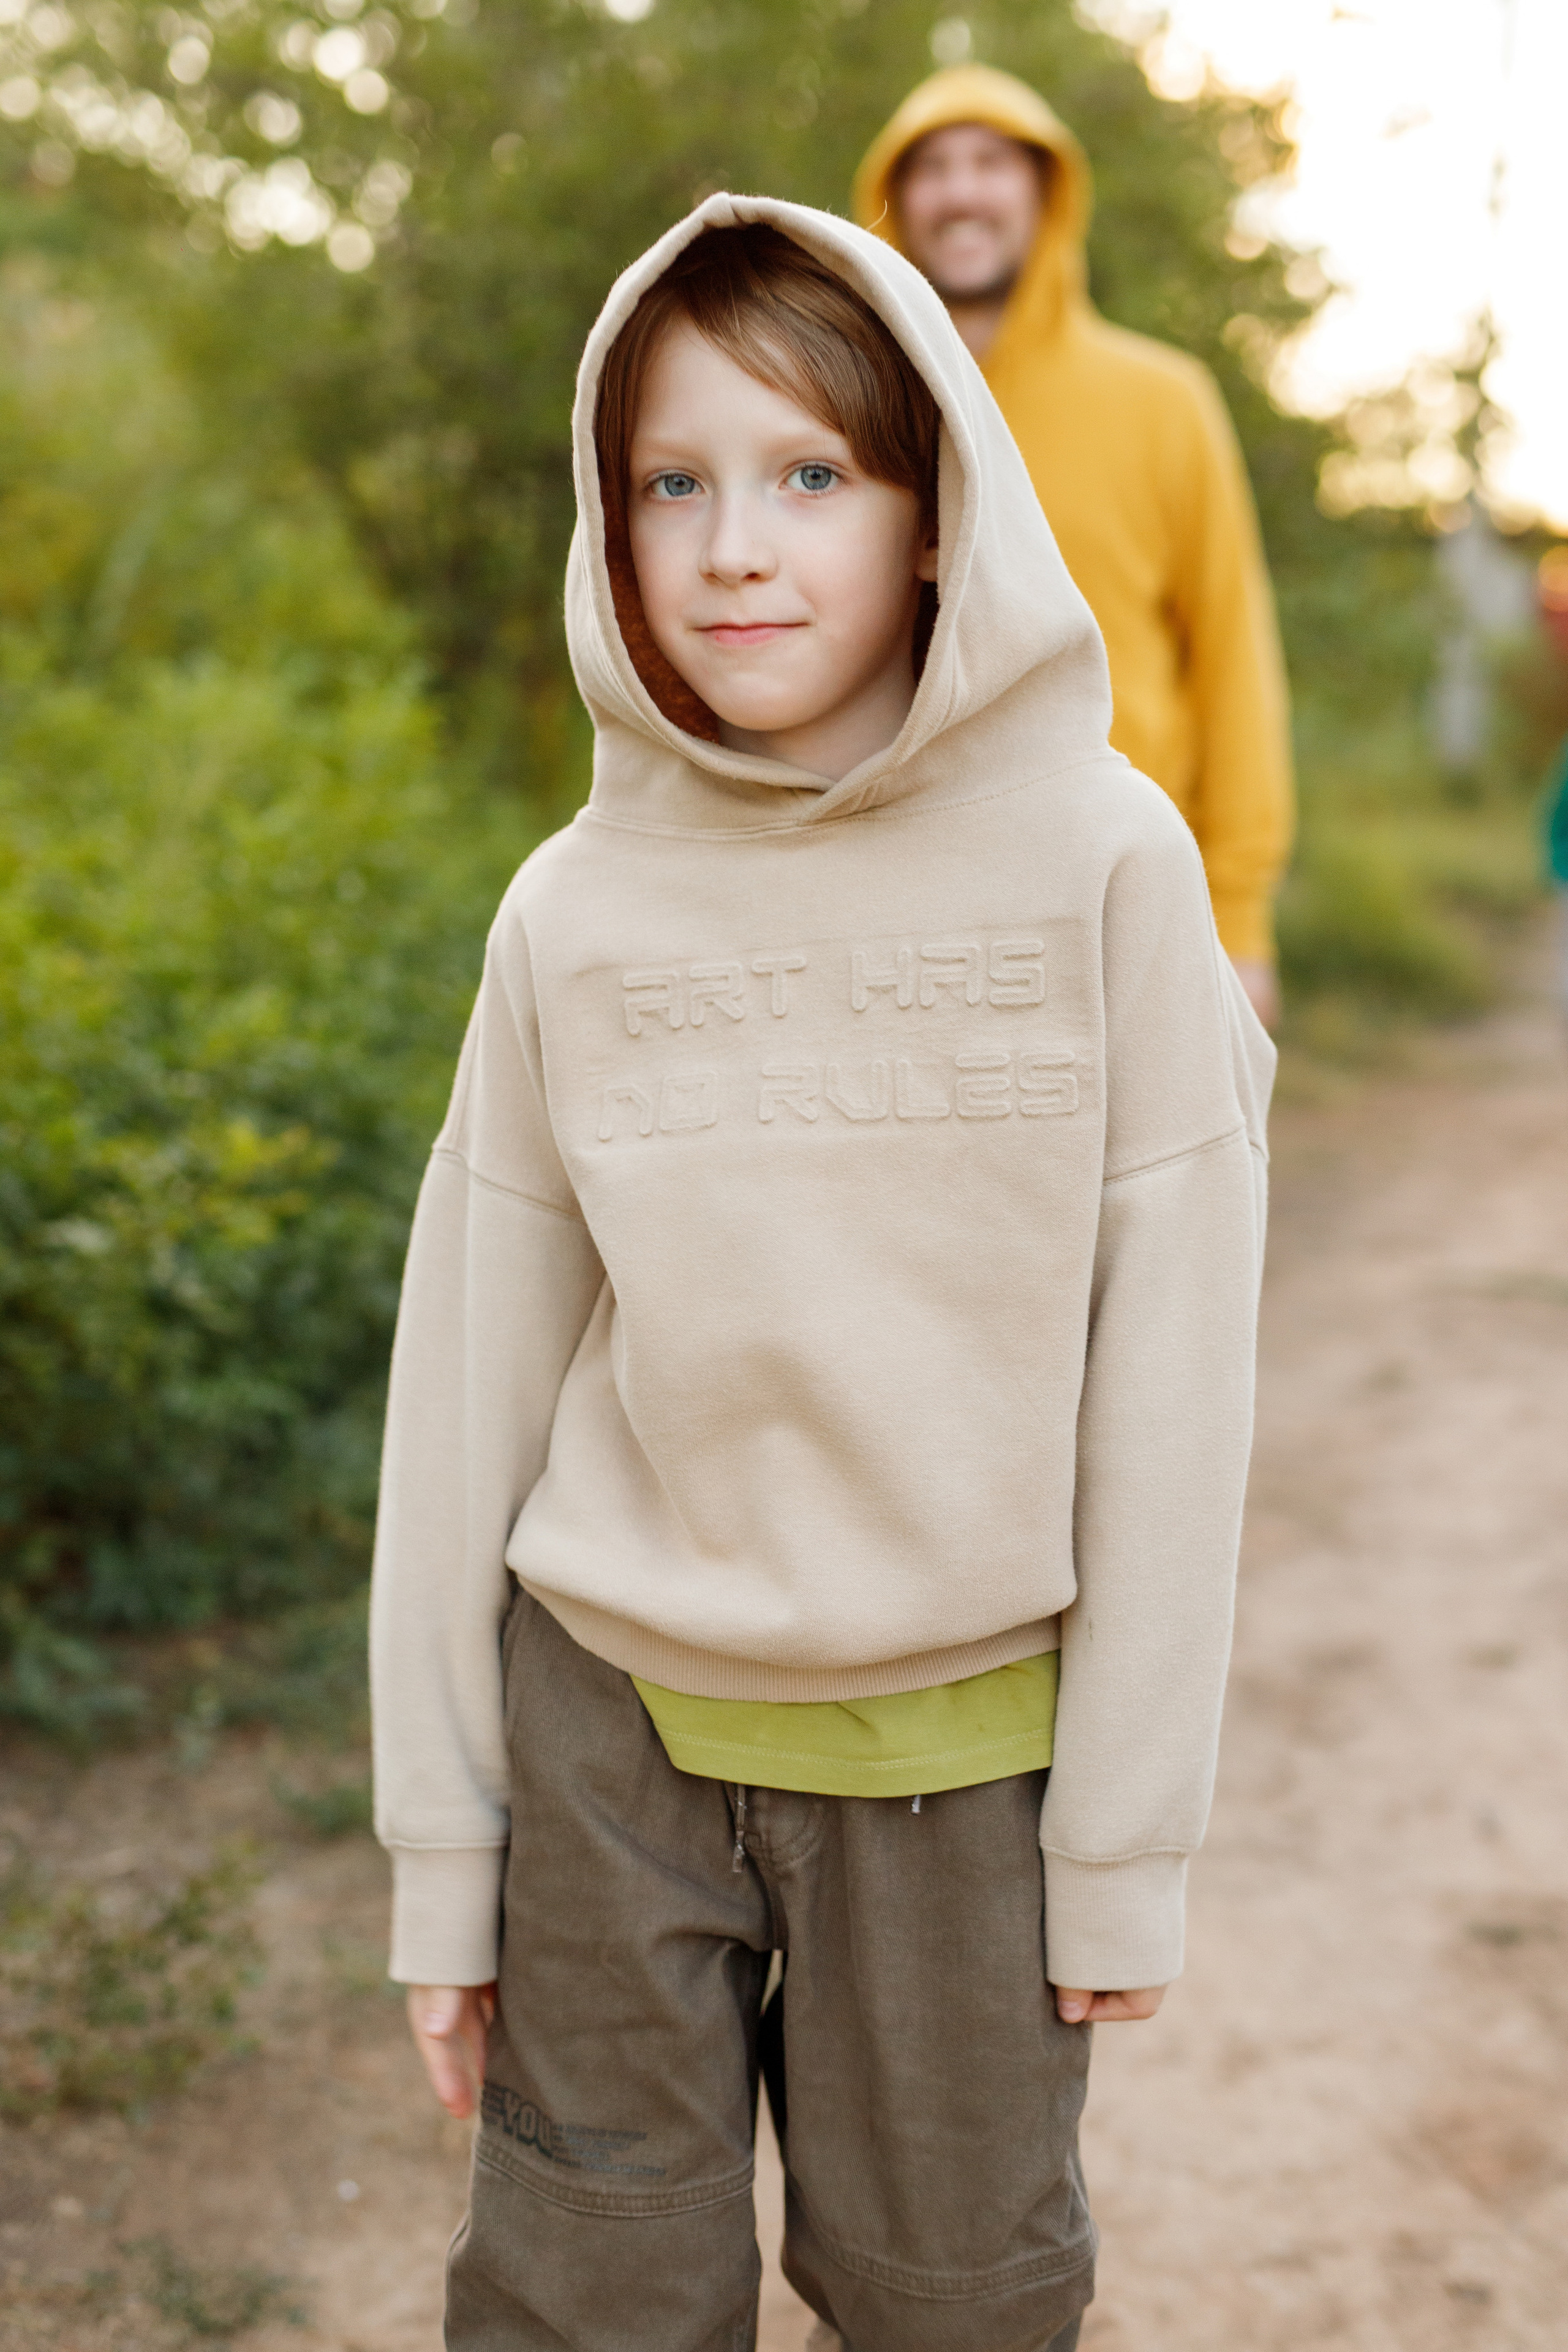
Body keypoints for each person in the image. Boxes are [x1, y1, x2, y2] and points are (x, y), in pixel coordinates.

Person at [371, 195, 1273, 2351]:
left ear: (939, 511)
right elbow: (468, 1382)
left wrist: (1127, 1835)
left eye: (810, 477)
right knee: (589, 2293)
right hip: (612, 1734)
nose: (732, 549)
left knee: (956, 2298)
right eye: (669, 484)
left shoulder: (1107, 865)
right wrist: (445, 1849)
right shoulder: (573, 909)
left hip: (963, 1767)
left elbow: (1174, 1384)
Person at [854, 64, 1295, 1029]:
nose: (961, 190)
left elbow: (1231, 654)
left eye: (990, 162)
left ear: (1046, 194)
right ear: (892, 199)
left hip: (1127, 896)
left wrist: (1242, 919)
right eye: (930, 167)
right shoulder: (851, 411)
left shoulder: (1164, 400)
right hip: (892, 909)